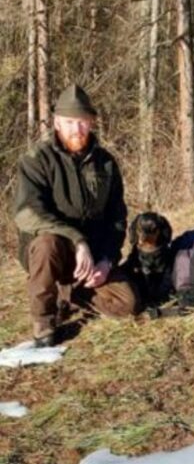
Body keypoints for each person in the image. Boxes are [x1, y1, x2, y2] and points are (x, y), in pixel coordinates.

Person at [15, 85, 138, 347]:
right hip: (51, 253)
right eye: (69, 122)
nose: (76, 129)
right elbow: (27, 214)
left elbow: (117, 218)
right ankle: (44, 322)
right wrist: (77, 240)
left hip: (91, 257)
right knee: (48, 243)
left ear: (91, 123)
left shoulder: (105, 163)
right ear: (57, 123)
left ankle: (73, 292)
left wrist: (106, 260)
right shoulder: (36, 159)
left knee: (126, 304)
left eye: (82, 122)